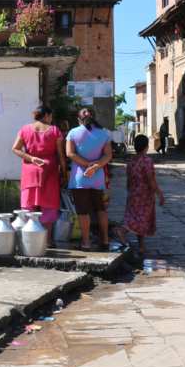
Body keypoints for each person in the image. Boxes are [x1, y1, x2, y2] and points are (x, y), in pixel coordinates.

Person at [66, 107, 113, 251]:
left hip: (80, 177)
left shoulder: (73, 133)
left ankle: (86, 242)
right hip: (97, 177)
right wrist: (95, 166)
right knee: (100, 208)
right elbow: (108, 155)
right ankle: (105, 240)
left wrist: (87, 165)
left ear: (79, 119)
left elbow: (70, 153)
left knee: (82, 211)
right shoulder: (104, 134)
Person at [12, 106, 67, 228]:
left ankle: (29, 239)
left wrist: (31, 158)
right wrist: (64, 172)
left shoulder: (25, 129)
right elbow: (60, 154)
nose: (51, 119)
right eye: (50, 116)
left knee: (29, 206)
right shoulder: (54, 130)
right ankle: (47, 241)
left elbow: (15, 148)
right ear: (46, 116)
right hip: (49, 172)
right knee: (49, 206)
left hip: (30, 173)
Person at [116, 134, 164, 255]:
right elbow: (150, 179)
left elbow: (128, 179)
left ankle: (142, 246)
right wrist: (159, 193)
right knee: (140, 219)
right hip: (144, 195)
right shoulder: (147, 161)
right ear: (146, 147)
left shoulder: (131, 161)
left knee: (138, 217)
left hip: (133, 193)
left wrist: (129, 190)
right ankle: (122, 230)